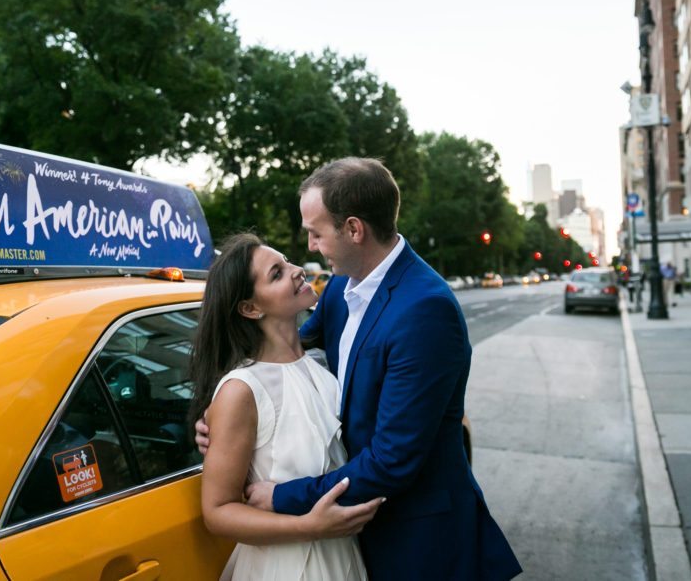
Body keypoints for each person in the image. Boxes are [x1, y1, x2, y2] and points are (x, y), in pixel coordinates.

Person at [199, 158, 521, 580]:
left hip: (415, 540)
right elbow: (278, 353)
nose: (310, 248)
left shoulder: (425, 309)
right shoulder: (338, 289)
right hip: (345, 541)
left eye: (316, 233)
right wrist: (216, 416)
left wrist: (281, 497)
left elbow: (392, 461)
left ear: (354, 229)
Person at [190, 233, 379, 580]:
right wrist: (309, 527)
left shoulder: (321, 367)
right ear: (250, 308)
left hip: (344, 556)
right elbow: (217, 512)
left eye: (287, 262)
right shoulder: (242, 390)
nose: (296, 271)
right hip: (288, 565)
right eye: (276, 274)